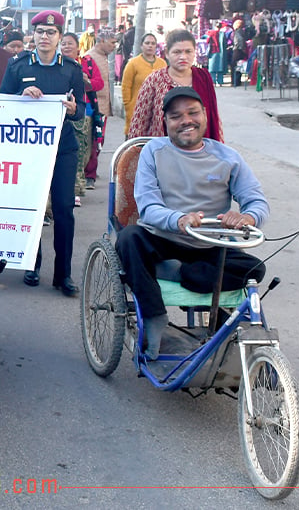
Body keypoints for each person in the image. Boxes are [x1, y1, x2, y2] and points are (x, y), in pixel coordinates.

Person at [115, 87, 268, 359]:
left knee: (254, 269)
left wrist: (247, 217)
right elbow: (148, 208)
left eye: (192, 113)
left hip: (209, 244)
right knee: (128, 238)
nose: (186, 120)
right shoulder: (153, 151)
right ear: (167, 123)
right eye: (176, 116)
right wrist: (179, 219)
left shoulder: (228, 157)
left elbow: (256, 201)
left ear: (204, 115)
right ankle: (154, 316)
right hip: (163, 239)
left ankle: (180, 273)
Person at [0, 10, 85, 297]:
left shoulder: (71, 68)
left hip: (62, 149)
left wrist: (73, 110)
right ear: (32, 36)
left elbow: (82, 110)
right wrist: (21, 99)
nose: (45, 37)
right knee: (32, 207)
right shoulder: (18, 66)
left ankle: (64, 274)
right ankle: (31, 264)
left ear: (60, 37)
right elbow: (3, 104)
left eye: (51, 33)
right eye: (39, 32)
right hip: (29, 150)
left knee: (64, 211)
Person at [128, 29, 224, 143]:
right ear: (167, 53)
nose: (183, 57)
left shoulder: (203, 77)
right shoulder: (154, 80)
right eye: (177, 52)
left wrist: (218, 148)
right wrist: (136, 152)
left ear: (195, 52)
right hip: (164, 150)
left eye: (188, 51)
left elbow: (213, 115)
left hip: (200, 149)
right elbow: (139, 123)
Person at [59, 31, 102, 203]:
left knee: (82, 151)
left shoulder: (87, 63)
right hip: (60, 113)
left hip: (84, 112)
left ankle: (76, 188)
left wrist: (86, 81)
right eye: (63, 43)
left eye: (70, 43)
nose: (66, 46)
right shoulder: (56, 65)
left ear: (78, 47)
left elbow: (99, 83)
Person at [83, 27, 118, 190]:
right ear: (102, 41)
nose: (114, 46)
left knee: (99, 141)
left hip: (104, 106)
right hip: (94, 107)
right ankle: (89, 174)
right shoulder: (90, 58)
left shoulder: (104, 57)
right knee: (93, 141)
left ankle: (90, 172)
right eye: (112, 42)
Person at [121, 33, 167, 137]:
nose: (150, 46)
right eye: (147, 43)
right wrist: (128, 106)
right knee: (134, 144)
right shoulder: (133, 63)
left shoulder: (162, 64)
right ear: (141, 46)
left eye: (153, 43)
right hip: (136, 109)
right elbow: (125, 87)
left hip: (157, 110)